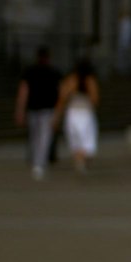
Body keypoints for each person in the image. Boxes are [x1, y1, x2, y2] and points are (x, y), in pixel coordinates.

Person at [15, 47, 63, 180]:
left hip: (35, 109)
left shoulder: (31, 72)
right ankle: (39, 163)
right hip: (45, 109)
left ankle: (38, 162)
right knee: (43, 137)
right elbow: (60, 94)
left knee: (37, 137)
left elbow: (23, 92)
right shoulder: (53, 72)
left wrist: (20, 110)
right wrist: (58, 113)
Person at [56, 59, 100, 173]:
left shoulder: (71, 80)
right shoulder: (90, 80)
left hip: (73, 112)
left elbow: (62, 97)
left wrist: (57, 115)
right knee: (86, 140)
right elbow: (95, 99)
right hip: (85, 113)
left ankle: (79, 160)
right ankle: (81, 161)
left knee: (76, 139)